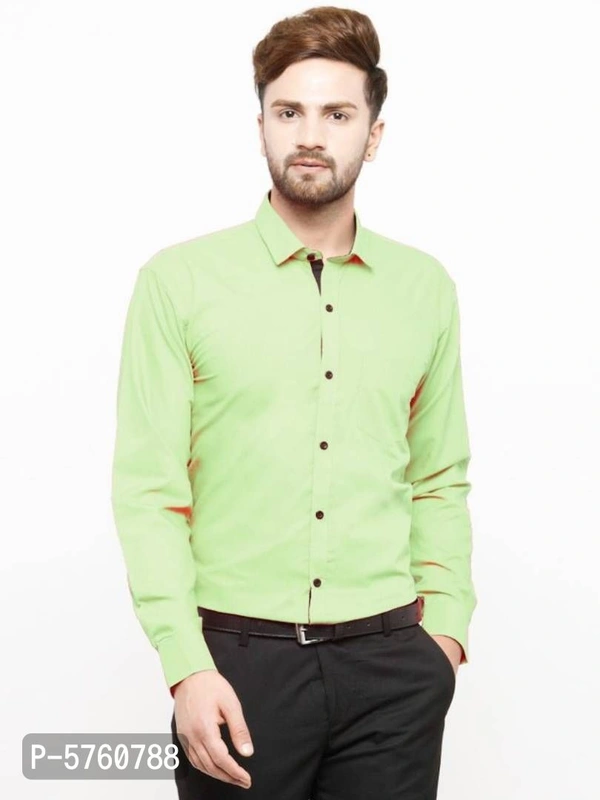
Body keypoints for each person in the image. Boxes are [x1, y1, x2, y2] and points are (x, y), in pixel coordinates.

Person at [110, 5, 477, 798]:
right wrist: (186, 667)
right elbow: (149, 492)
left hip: (393, 665)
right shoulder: (179, 283)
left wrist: (444, 635)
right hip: (239, 668)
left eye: (337, 114)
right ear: (261, 127)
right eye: (289, 112)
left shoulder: (425, 289)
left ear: (373, 135)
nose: (311, 135)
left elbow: (439, 477)